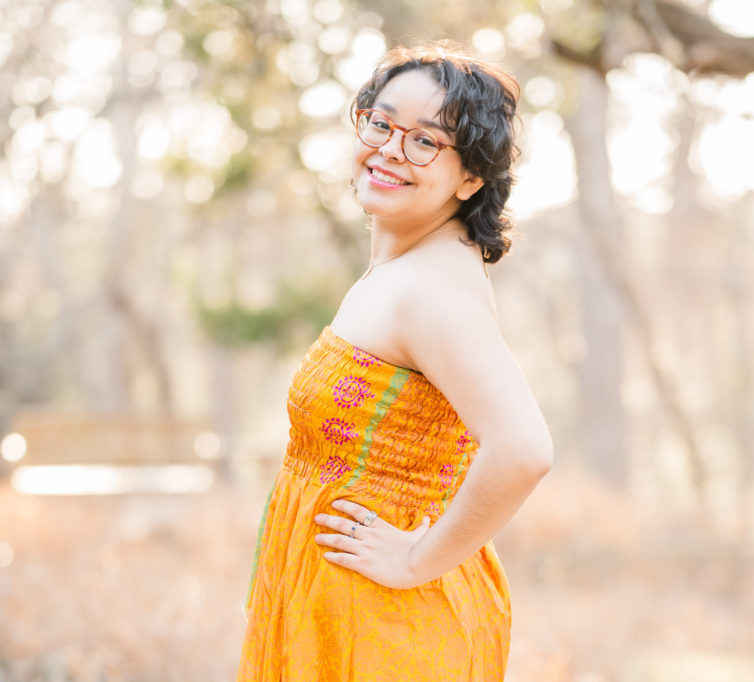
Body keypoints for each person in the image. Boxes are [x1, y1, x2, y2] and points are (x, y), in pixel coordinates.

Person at [236, 42, 553, 681]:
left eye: (425, 142)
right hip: (337, 608)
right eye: (381, 123)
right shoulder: (407, 270)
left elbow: (523, 448)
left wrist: (416, 560)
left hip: (385, 625)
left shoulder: (431, 292)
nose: (388, 149)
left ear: (471, 177)